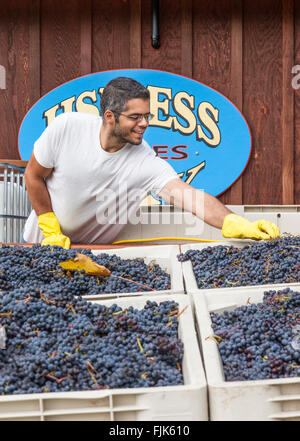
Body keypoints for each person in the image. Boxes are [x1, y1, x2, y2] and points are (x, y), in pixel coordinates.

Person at [23, 77, 279, 248]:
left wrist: (234, 222)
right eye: (135, 117)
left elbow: (189, 197)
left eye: (147, 116)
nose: (145, 123)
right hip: (37, 245)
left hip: (93, 256)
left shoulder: (144, 160)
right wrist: (50, 228)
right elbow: (33, 176)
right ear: (110, 117)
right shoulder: (67, 128)